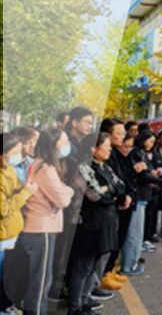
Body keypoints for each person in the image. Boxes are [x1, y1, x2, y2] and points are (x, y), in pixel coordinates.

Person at [67, 133, 129, 315]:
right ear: (94, 148)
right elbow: (95, 196)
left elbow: (121, 185)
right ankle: (75, 307)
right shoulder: (83, 168)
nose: (110, 149)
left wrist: (109, 189)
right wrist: (111, 192)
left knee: (94, 266)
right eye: (106, 146)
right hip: (87, 224)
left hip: (105, 222)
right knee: (82, 267)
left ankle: (85, 301)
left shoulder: (105, 167)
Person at [18, 128, 75, 315]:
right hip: (41, 228)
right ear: (56, 144)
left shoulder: (39, 164)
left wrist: (63, 189)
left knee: (40, 276)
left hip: (39, 226)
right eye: (65, 141)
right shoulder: (46, 169)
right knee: (41, 279)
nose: (67, 145)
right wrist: (69, 190)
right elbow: (63, 200)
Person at [121, 131, 162, 276]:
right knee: (134, 234)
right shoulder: (137, 153)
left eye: (153, 141)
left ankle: (133, 261)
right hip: (137, 196)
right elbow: (142, 176)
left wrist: (154, 173)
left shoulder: (142, 153)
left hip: (142, 196)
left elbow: (146, 173)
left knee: (137, 233)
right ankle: (129, 265)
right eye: (150, 141)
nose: (151, 144)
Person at [1, 133, 38, 315]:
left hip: (10, 233)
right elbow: (3, 208)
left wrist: (24, 188)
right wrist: (25, 193)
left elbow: (15, 191)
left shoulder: (8, 170)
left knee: (7, 275)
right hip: (2, 234)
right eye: (15, 152)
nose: (19, 155)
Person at [99, 119, 132, 288]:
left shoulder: (116, 154)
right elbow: (107, 185)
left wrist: (124, 194)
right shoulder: (102, 159)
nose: (122, 137)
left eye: (123, 133)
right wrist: (115, 192)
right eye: (119, 133)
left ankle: (109, 270)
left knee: (116, 240)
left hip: (118, 204)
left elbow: (119, 181)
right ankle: (103, 275)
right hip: (104, 209)